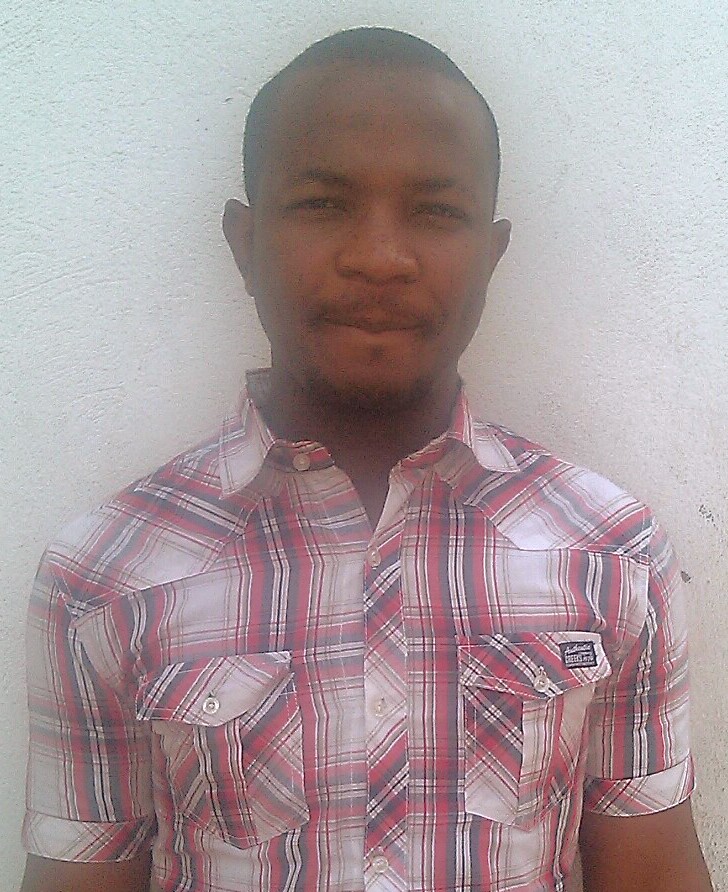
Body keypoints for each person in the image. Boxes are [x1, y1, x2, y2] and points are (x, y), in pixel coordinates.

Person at [20, 26, 712, 892]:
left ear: (492, 255)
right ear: (244, 243)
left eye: (437, 211)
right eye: (322, 203)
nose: (380, 258)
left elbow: (654, 873)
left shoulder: (611, 553)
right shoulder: (104, 574)